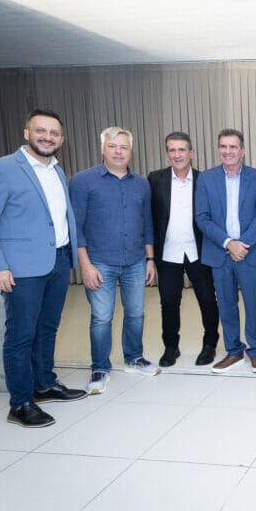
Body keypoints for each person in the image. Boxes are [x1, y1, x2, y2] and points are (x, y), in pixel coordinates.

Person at [0, 109, 86, 428]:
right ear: (26, 133)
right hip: (21, 269)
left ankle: (44, 385)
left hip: (58, 261)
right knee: (21, 335)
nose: (47, 137)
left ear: (61, 139)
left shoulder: (57, 171)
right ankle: (20, 403)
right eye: (41, 131)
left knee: (47, 328)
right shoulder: (1, 169)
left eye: (54, 133)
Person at [70, 126, 160, 395]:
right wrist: (85, 265)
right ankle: (100, 368)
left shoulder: (141, 183)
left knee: (136, 313)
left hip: (135, 261)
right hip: (99, 263)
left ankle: (134, 357)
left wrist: (150, 260)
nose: (119, 152)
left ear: (131, 151)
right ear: (102, 149)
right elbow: (76, 227)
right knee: (101, 317)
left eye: (124, 147)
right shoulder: (83, 181)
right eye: (113, 146)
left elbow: (147, 224)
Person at [196, 128, 256, 373]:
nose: (227, 151)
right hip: (220, 252)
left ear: (242, 150)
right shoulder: (206, 179)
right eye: (223, 146)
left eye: (233, 146)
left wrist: (242, 244)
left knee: (254, 304)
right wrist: (229, 243)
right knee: (227, 305)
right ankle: (234, 351)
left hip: (250, 251)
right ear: (219, 149)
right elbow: (202, 217)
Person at [148, 132, 220, 368]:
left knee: (207, 300)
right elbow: (150, 218)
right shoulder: (155, 179)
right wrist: (149, 257)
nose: (177, 155)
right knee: (169, 302)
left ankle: (210, 344)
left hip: (199, 252)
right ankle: (171, 347)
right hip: (168, 253)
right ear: (167, 153)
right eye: (172, 150)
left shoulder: (205, 180)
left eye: (182, 150)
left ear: (191, 153)